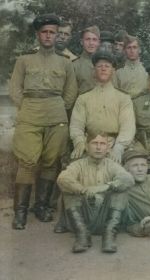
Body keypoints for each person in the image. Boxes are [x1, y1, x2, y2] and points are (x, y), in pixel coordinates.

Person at [9, 14, 77, 230]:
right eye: (45, 32)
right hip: (30, 112)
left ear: (57, 35)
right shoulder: (24, 60)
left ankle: (41, 206)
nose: (48, 36)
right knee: (27, 162)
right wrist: (27, 106)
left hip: (56, 114)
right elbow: (14, 89)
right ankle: (20, 212)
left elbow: (70, 92)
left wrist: (56, 107)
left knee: (50, 161)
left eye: (52, 32)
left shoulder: (65, 63)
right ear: (38, 35)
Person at [57, 131, 134, 253]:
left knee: (121, 190)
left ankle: (109, 235)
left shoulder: (112, 165)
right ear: (87, 147)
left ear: (108, 148)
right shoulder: (78, 165)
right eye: (94, 143)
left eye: (102, 144)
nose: (98, 147)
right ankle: (82, 235)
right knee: (69, 189)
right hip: (82, 217)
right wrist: (83, 190)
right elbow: (63, 179)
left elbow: (128, 179)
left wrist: (105, 187)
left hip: (105, 217)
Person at [70, 50, 136, 163]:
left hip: (115, 142)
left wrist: (119, 147)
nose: (103, 69)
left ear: (113, 71)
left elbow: (128, 126)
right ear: (94, 71)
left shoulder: (123, 97)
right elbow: (76, 125)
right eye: (99, 66)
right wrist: (79, 142)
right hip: (90, 142)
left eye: (107, 66)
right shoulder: (83, 97)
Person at [73, 25, 100, 95]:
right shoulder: (74, 65)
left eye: (94, 39)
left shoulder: (106, 65)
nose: (91, 43)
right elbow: (71, 93)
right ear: (81, 42)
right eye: (88, 39)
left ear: (98, 43)